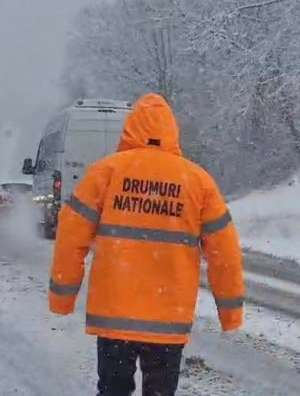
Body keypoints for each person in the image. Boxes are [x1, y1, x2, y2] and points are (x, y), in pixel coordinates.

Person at [47, 93, 244, 396]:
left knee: (113, 390)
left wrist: (62, 298)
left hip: (114, 316)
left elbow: (71, 237)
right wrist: (230, 313)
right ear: (172, 131)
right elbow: (225, 254)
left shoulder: (105, 173)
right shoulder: (197, 181)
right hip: (168, 319)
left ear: (131, 128)